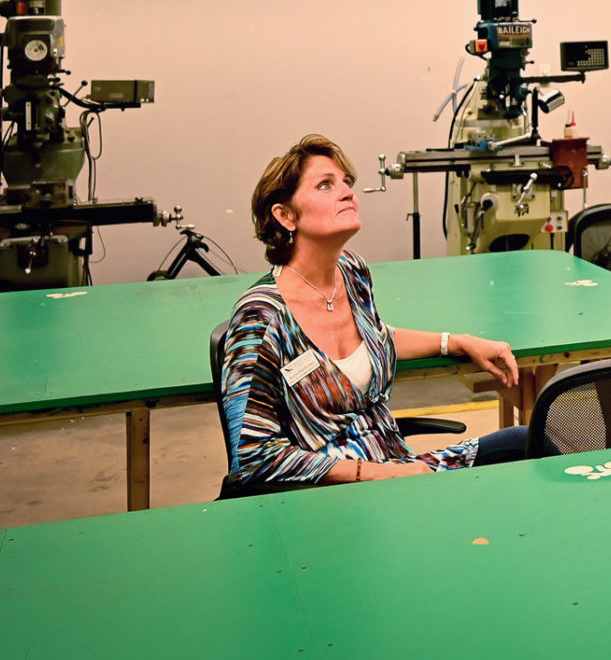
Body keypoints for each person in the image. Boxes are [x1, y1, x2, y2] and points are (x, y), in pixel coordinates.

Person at [220, 133, 530, 490]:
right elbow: (253, 457)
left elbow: (378, 339)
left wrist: (457, 342)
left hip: (398, 468)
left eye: (346, 183)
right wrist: (378, 474)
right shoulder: (261, 317)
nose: (347, 192)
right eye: (325, 185)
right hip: (334, 498)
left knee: (530, 439)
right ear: (285, 215)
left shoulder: (351, 273)